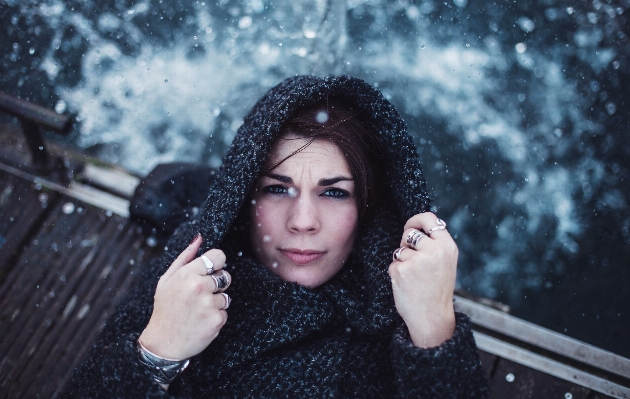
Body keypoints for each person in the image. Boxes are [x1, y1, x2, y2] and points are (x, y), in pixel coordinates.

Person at [61, 75, 489, 398]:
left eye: (334, 192)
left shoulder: (402, 311)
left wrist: (434, 327)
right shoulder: (184, 276)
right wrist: (157, 354)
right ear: (245, 194)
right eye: (278, 188)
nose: (303, 221)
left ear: (367, 209)